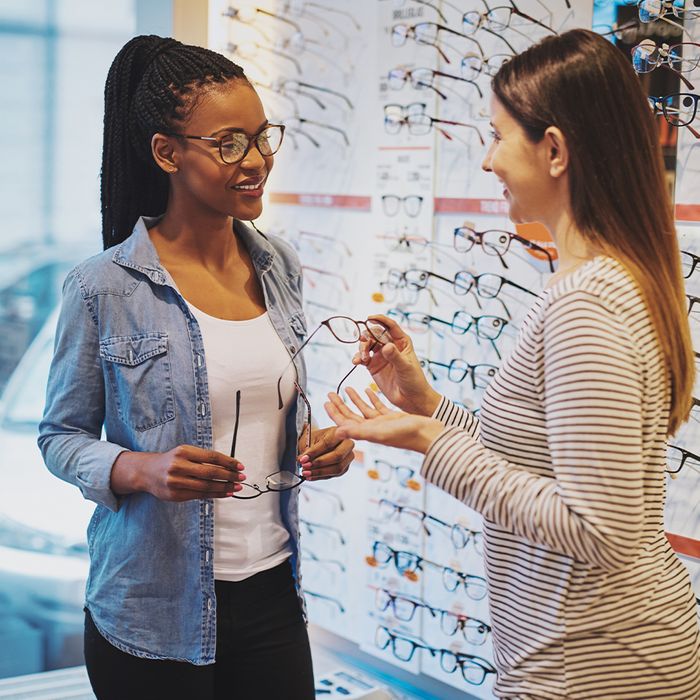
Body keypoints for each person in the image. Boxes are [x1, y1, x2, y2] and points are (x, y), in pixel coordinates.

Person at [325, 28, 700, 699]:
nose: (486, 160)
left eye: (497, 135)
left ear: (553, 150)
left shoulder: (588, 303)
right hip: (592, 650)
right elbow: (543, 464)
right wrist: (427, 405)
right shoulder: (608, 281)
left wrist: (431, 444)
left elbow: (600, 529)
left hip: (597, 666)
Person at [38, 35, 354, 700]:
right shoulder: (103, 288)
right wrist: (140, 469)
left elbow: (266, 406)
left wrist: (317, 445)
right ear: (167, 152)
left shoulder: (280, 266)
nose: (258, 160)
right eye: (230, 142)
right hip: (151, 611)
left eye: (264, 136)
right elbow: (59, 438)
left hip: (271, 593)